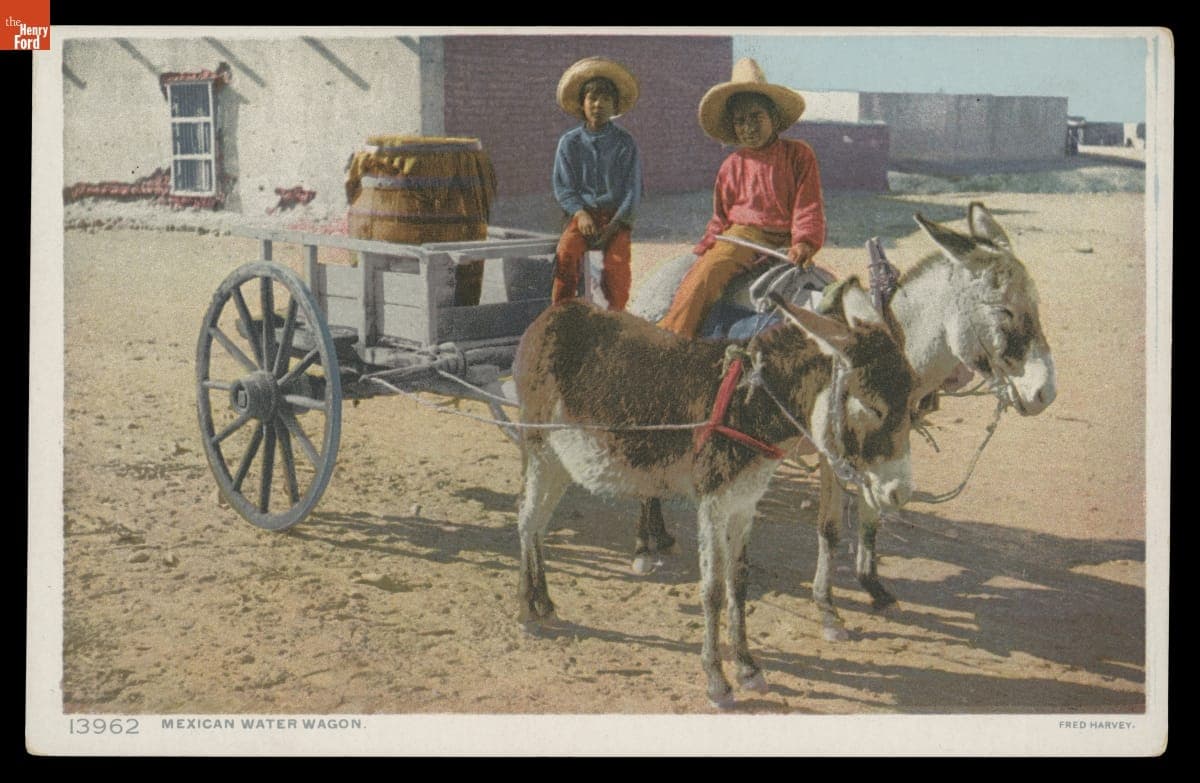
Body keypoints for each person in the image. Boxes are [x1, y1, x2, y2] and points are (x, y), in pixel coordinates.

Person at [658, 58, 825, 337]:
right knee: (708, 272)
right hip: (742, 237)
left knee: (828, 292)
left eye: (756, 117)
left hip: (785, 241)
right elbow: (720, 218)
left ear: (773, 117)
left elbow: (808, 205)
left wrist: (804, 243)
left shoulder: (799, 154)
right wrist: (707, 247)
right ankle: (673, 337)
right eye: (740, 121)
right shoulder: (731, 166)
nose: (748, 127)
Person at [550, 57, 643, 311]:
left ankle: (614, 324)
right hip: (583, 218)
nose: (598, 105)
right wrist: (580, 214)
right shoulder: (569, 143)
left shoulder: (626, 143)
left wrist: (613, 228)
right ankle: (563, 317)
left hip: (615, 219)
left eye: (605, 99)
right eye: (592, 99)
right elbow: (563, 186)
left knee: (616, 269)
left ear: (614, 106)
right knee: (566, 255)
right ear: (582, 104)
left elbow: (632, 192)